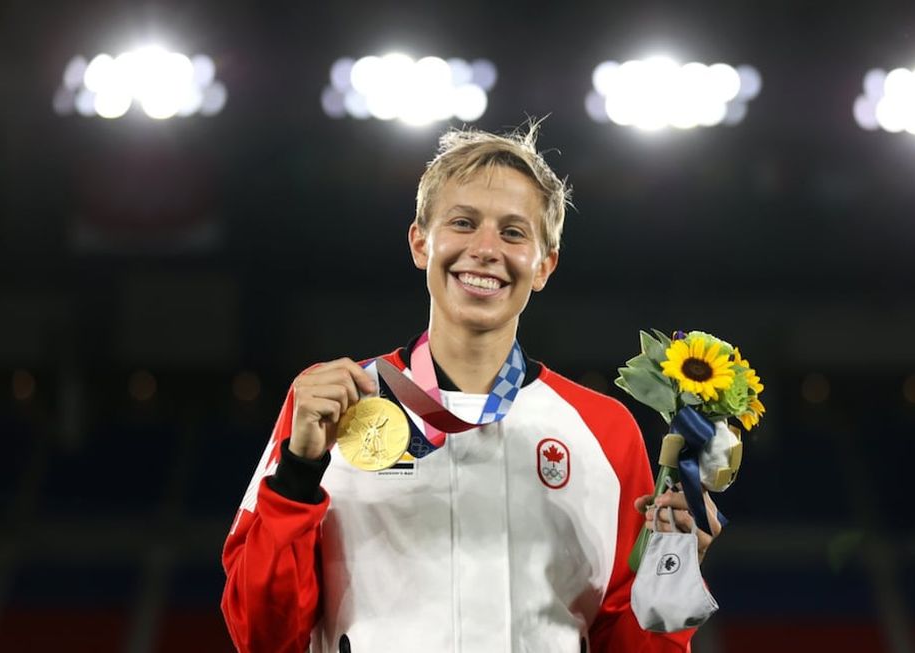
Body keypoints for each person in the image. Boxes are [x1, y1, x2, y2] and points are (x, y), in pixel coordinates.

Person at [221, 123, 722, 652]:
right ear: (420, 242)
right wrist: (299, 472)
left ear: (544, 265)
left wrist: (674, 562)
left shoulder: (604, 430)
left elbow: (632, 645)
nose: (485, 249)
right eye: (463, 223)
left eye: (513, 232)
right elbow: (260, 635)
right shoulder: (333, 404)